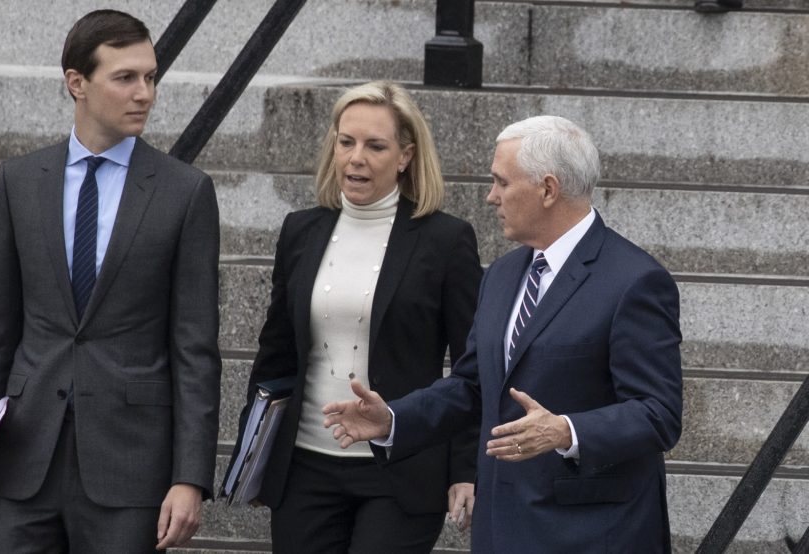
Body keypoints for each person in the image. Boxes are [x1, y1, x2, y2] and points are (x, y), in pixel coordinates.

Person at [324, 115, 683, 553]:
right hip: (501, 527)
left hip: (591, 534)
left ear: (547, 189)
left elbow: (658, 413)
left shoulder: (635, 281)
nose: (490, 196)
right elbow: (473, 385)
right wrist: (395, 419)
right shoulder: (502, 274)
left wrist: (565, 431)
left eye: (501, 182)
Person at [0, 10, 221, 553]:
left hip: (130, 468)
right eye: (125, 77)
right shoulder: (21, 181)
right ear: (77, 83)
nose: (144, 93)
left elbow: (196, 350)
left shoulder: (185, 192)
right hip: (22, 461)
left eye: (150, 77)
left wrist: (190, 477)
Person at [231, 81, 483, 553]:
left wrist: (466, 468)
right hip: (305, 467)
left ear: (405, 156)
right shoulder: (300, 230)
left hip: (401, 470)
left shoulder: (446, 240)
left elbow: (473, 368)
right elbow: (276, 351)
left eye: (375, 146)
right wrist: (256, 454)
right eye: (346, 142)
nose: (356, 158)